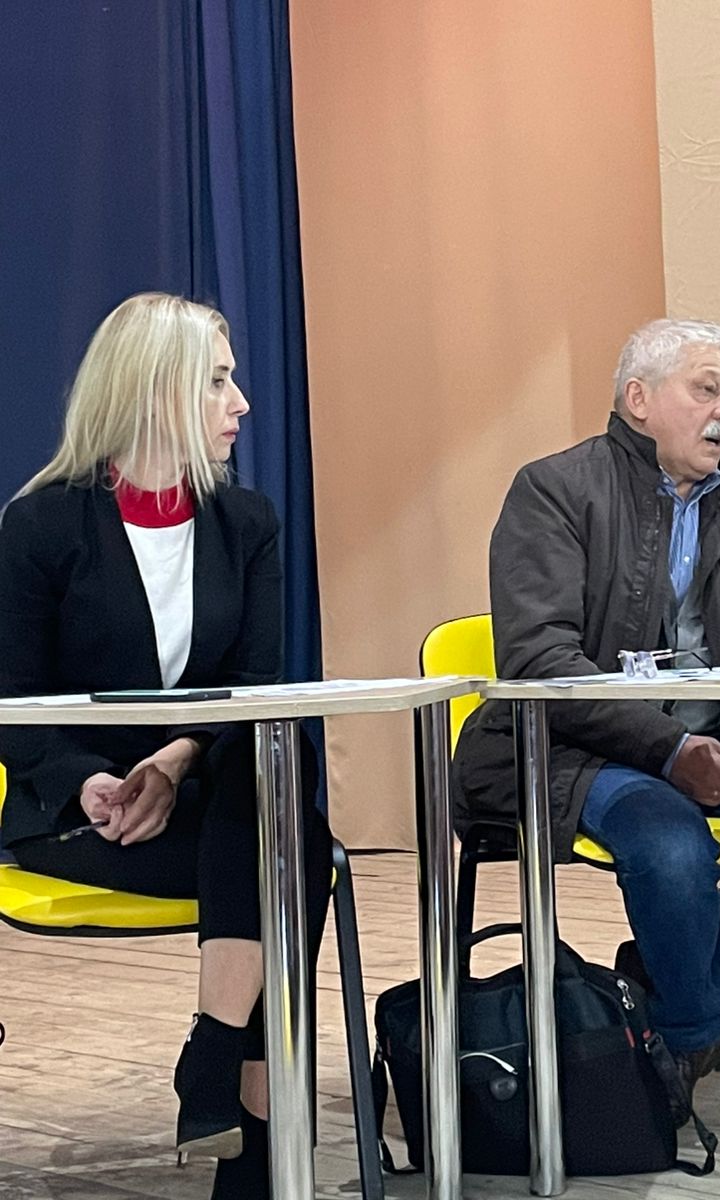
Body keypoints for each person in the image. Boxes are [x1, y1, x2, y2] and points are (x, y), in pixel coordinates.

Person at [452, 318, 720, 1109]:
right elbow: (540, 661)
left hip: (711, 744)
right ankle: (684, 1039)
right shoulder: (554, 489)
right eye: (707, 389)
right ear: (639, 399)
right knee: (673, 843)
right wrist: (670, 750)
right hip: (572, 750)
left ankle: (662, 981)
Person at [0, 292, 327, 1200]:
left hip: (207, 800)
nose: (241, 403)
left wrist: (176, 760)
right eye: (218, 381)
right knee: (292, 855)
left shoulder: (247, 521)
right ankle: (247, 1119)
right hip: (85, 817)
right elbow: (10, 702)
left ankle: (215, 1057)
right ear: (155, 392)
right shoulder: (41, 525)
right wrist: (93, 781)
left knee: (274, 762)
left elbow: (257, 687)